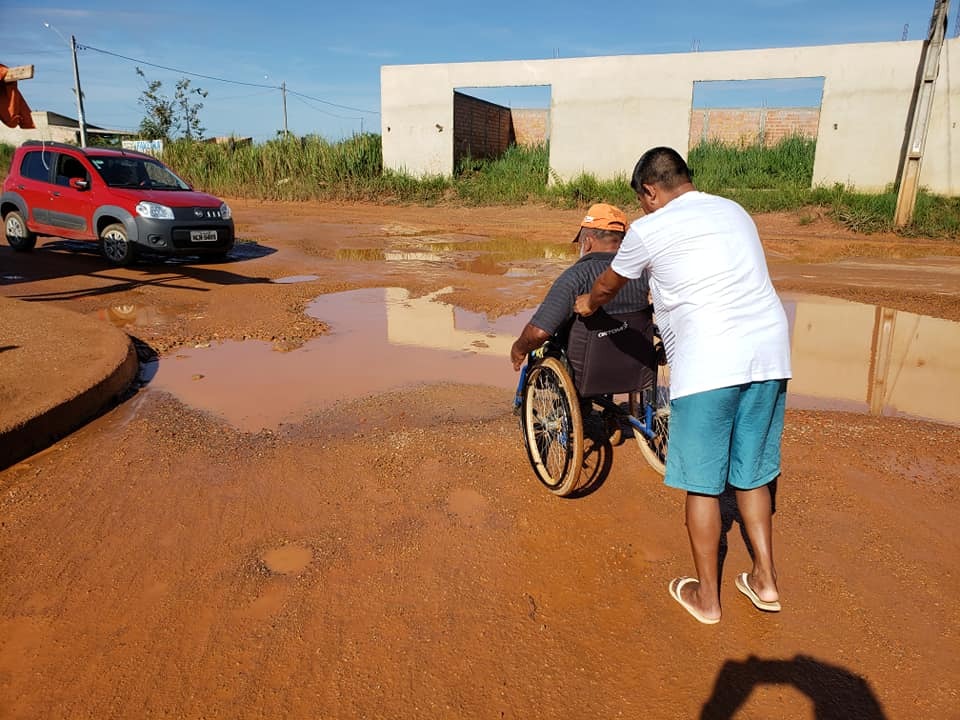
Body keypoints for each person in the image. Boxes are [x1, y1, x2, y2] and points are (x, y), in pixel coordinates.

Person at [574, 147, 792, 625]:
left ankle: (707, 598)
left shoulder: (650, 228)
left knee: (703, 485)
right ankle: (765, 580)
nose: (643, 208)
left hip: (711, 358)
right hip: (770, 354)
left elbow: (610, 284)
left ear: (649, 192)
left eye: (642, 200)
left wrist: (588, 305)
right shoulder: (734, 210)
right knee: (753, 474)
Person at [510, 203, 651, 376]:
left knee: (536, 347)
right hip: (634, 370)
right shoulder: (643, 274)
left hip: (585, 373)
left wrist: (518, 348)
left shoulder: (576, 277)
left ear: (588, 242)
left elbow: (538, 333)